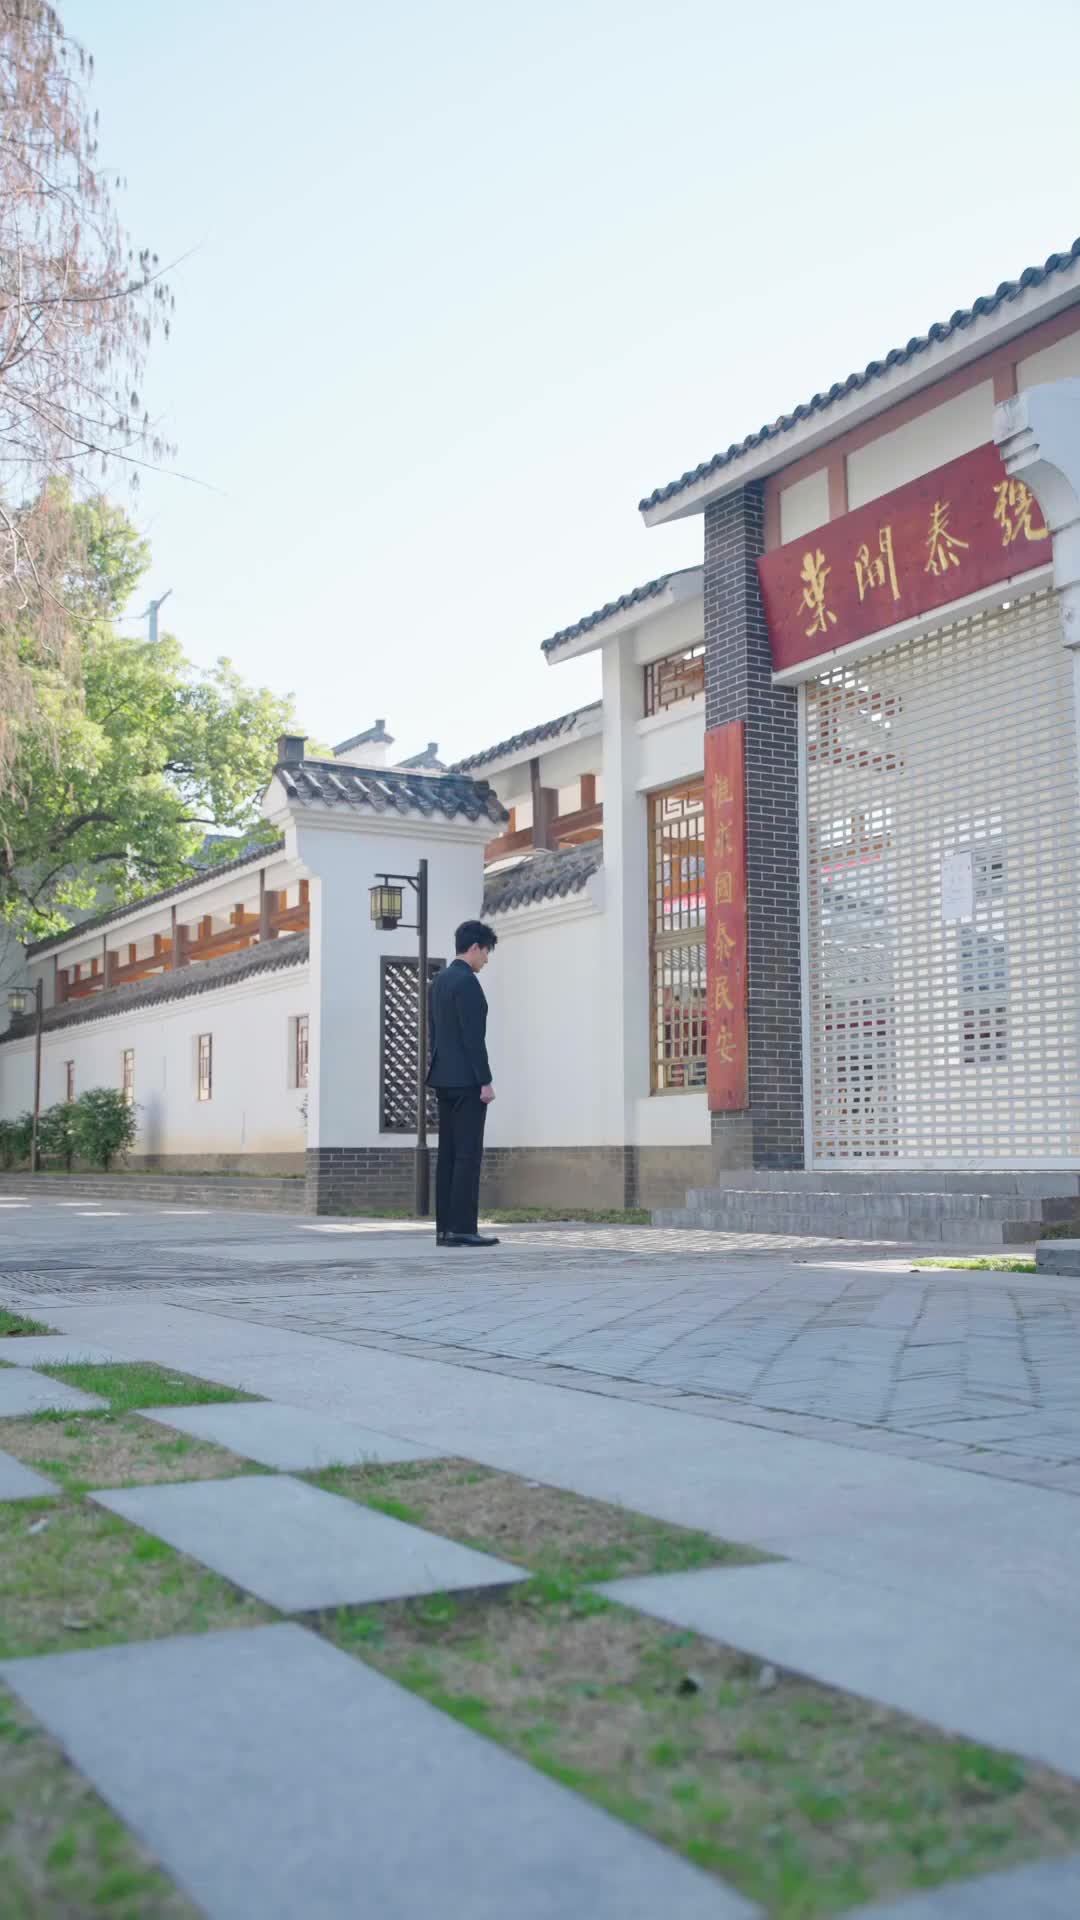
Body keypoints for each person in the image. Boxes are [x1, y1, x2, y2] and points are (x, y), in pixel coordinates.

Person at [427, 920, 499, 1248]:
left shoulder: (439, 981)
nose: (486, 959)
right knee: (468, 1155)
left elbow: (435, 1034)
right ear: (474, 948)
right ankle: (463, 1228)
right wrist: (485, 1080)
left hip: (443, 1078)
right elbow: (473, 1038)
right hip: (467, 1081)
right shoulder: (467, 982)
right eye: (485, 952)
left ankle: (444, 1230)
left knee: (448, 1155)